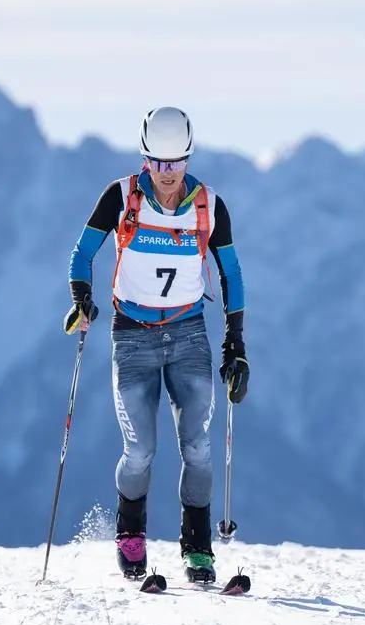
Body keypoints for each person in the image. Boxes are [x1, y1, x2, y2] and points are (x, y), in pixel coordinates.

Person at [64, 106, 250, 583]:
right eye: (158, 163)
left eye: (177, 162)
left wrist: (236, 342)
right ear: (145, 157)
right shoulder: (121, 196)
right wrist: (82, 298)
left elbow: (231, 274)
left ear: (188, 156)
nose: (168, 175)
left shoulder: (209, 205)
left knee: (199, 448)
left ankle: (198, 549)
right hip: (132, 337)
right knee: (140, 450)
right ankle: (131, 536)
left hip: (189, 335)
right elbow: (83, 252)